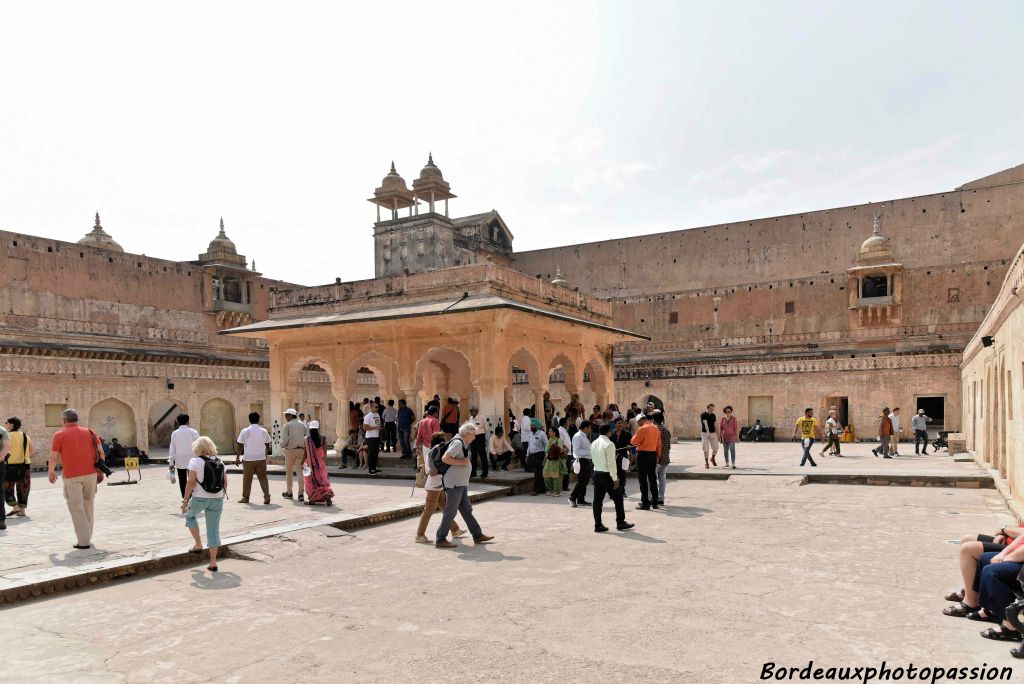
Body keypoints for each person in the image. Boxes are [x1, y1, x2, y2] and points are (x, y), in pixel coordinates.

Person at [49, 408, 102, 549]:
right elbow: (101, 452)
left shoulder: (59, 435)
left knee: (76, 507)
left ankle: (84, 541)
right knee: (88, 505)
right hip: (91, 474)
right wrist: (100, 471)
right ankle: (87, 536)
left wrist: (51, 471)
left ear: (64, 420)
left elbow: (54, 456)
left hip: (72, 476)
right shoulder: (90, 432)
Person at [435, 423, 494, 549]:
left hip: (460, 482)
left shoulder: (461, 442)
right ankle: (440, 538)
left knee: (466, 510)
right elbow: (445, 458)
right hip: (455, 483)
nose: (474, 438)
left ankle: (477, 535)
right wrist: (462, 462)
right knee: (450, 512)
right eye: (473, 435)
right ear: (467, 434)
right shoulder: (457, 443)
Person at [181, 436, 226, 572]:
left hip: (199, 498)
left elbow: (191, 482)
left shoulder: (194, 461)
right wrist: (219, 497)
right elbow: (225, 482)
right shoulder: (220, 462)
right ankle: (213, 563)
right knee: (213, 531)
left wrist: (185, 500)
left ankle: (198, 544)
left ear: (197, 448)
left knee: (190, 516)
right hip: (217, 499)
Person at [415, 432, 465, 543]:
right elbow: (432, 472)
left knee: (445, 508)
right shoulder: (432, 453)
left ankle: (455, 529)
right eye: (444, 440)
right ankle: (420, 535)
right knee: (428, 510)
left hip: (438, 486)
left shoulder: (437, 452)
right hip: (433, 486)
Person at [591, 424, 634, 533]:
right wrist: (615, 478)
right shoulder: (609, 444)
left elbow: (593, 459)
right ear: (609, 432)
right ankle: (620, 522)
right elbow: (611, 463)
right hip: (606, 474)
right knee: (618, 498)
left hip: (597, 472)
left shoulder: (594, 443)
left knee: (598, 501)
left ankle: (598, 524)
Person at [235, 412, 271, 504]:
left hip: (248, 459)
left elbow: (240, 445)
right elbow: (267, 444)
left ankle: (246, 498)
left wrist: (237, 457)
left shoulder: (245, 431)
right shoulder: (264, 431)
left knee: (247, 479)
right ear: (258, 419)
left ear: (249, 419)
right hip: (261, 458)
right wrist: (265, 454)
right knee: (263, 478)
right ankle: (266, 496)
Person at [630, 413, 661, 510]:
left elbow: (633, 442)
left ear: (641, 420)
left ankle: (645, 503)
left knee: (642, 480)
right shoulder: (656, 428)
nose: (638, 424)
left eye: (638, 422)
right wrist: (657, 456)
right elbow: (659, 445)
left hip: (642, 455)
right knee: (652, 479)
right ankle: (655, 502)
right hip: (652, 455)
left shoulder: (642, 429)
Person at [3, 417, 33, 517]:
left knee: (6, 488)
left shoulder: (5, 436)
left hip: (8, 466)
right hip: (25, 465)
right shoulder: (25, 436)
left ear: (11, 425)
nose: (5, 424)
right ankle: (22, 511)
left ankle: (15, 506)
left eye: (6, 422)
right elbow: (32, 450)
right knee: (24, 488)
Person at [301, 421, 334, 505]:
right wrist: (324, 461)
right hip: (321, 464)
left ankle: (312, 499)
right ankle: (326, 495)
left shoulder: (307, 439)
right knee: (323, 480)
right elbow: (325, 451)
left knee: (310, 482)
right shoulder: (323, 438)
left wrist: (301, 463)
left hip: (311, 465)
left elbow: (305, 452)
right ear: (318, 428)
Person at [280, 408, 307, 499]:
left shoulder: (287, 425)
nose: (286, 416)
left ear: (291, 415)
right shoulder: (303, 425)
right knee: (300, 472)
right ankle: (300, 493)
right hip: (301, 450)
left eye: (287, 415)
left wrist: (282, 444)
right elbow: (307, 437)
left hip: (290, 451)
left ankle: (289, 492)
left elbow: (286, 440)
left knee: (289, 472)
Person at [568, 421, 593, 508]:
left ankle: (581, 498)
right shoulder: (578, 436)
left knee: (585, 481)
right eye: (590, 427)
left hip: (586, 460)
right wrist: (589, 452)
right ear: (586, 427)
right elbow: (576, 451)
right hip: (581, 460)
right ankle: (572, 497)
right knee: (581, 481)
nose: (590, 429)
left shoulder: (584, 436)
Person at [651, 411, 671, 504]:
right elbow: (668, 446)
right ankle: (660, 498)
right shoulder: (666, 431)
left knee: (651, 479)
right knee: (662, 479)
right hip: (665, 457)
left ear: (653, 420)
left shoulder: (653, 430)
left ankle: (652, 498)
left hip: (655, 458)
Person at [543, 427, 568, 496]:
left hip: (556, 461)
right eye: (549, 431)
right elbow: (546, 449)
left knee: (556, 477)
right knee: (546, 475)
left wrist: (554, 449)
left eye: (550, 431)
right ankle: (550, 489)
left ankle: (557, 491)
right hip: (549, 460)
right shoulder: (550, 440)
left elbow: (560, 450)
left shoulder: (559, 440)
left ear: (555, 433)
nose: (549, 432)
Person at [525, 418, 548, 495]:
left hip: (540, 455)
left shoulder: (542, 434)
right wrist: (527, 456)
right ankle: (543, 489)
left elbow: (546, 445)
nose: (531, 427)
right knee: (538, 472)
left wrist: (546, 456)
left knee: (537, 472)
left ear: (537, 426)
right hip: (532, 455)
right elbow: (529, 446)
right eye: (531, 425)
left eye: (533, 425)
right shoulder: (530, 435)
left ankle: (535, 490)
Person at [612, 417, 632, 497]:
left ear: (624, 424)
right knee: (613, 474)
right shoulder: (612, 433)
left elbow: (631, 445)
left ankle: (622, 491)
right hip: (613, 457)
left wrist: (629, 447)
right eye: (618, 423)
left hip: (623, 456)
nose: (620, 424)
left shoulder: (627, 434)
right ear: (615, 424)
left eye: (621, 423)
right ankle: (613, 491)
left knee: (622, 475)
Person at [467, 406, 488, 478]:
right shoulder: (471, 418)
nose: (470, 413)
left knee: (482, 455)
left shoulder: (482, 417)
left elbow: (487, 428)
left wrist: (481, 433)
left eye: (471, 411)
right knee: (474, 455)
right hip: (473, 438)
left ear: (475, 411)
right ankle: (473, 472)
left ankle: (484, 472)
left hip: (480, 437)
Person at [362, 401, 383, 475]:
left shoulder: (377, 414)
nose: (377, 408)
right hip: (370, 437)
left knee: (376, 453)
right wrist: (375, 427)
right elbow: (365, 427)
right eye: (376, 407)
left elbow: (377, 424)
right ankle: (370, 469)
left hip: (377, 436)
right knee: (371, 453)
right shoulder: (368, 416)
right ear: (371, 407)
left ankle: (374, 467)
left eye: (377, 407)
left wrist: (379, 427)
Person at [700, 403, 719, 468]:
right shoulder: (703, 415)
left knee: (716, 448)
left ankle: (712, 458)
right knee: (706, 449)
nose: (712, 410)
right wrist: (708, 432)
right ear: (707, 408)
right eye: (711, 409)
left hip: (713, 433)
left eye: (713, 409)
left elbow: (715, 424)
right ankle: (706, 463)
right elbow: (705, 424)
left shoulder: (713, 415)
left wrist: (718, 433)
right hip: (705, 433)